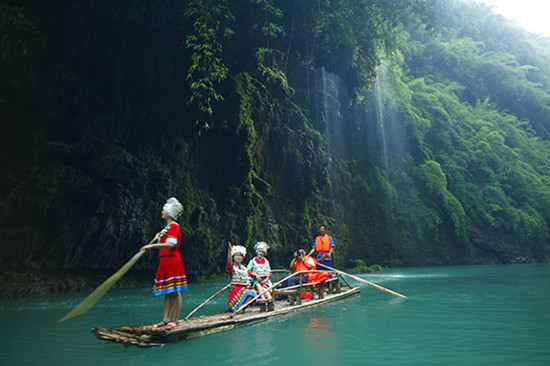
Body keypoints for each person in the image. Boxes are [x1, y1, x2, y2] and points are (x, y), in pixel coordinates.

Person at [141, 197, 188, 328]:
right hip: (165, 261)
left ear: (170, 212)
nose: (161, 211)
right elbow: (164, 242)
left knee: (175, 290)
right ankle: (165, 319)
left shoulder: (174, 226)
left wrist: (152, 246)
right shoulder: (167, 228)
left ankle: (175, 319)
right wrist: (157, 238)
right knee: (168, 291)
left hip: (172, 260)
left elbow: (170, 244)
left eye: (164, 209)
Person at [227, 242, 257, 312]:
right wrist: (229, 250)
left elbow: (249, 280)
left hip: (244, 289)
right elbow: (229, 262)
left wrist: (249, 285)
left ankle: (241, 308)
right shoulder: (232, 267)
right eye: (236, 255)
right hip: (236, 290)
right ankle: (237, 308)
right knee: (247, 291)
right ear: (233, 257)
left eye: (240, 256)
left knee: (253, 292)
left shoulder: (244, 268)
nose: (238, 257)